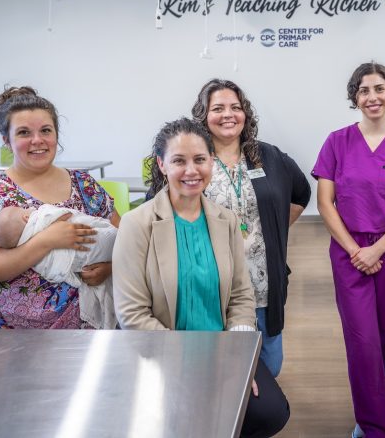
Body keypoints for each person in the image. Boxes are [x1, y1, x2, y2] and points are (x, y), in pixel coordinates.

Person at [112, 118, 289, 438]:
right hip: (158, 352)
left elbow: (240, 296)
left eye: (200, 159)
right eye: (179, 161)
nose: (191, 170)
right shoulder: (137, 224)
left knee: (271, 412)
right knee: (178, 415)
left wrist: (236, 359)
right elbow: (132, 314)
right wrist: (189, 364)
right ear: (162, 165)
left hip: (220, 349)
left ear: (211, 163)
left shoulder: (226, 221)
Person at [312, 62, 385, 438]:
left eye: (379, 89)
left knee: (384, 335)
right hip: (349, 251)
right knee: (362, 339)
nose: (372, 97)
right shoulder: (337, 141)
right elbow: (325, 203)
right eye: (364, 90)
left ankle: (371, 407)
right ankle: (376, 427)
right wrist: (355, 250)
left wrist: (377, 248)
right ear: (355, 98)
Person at [0, 86, 119, 329]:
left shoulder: (84, 184)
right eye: (24, 132)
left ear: (56, 134)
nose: (37, 140)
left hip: (84, 328)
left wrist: (110, 268)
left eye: (46, 130)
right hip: (12, 332)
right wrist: (47, 240)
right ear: (7, 141)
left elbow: (128, 241)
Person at [191, 78, 311, 378]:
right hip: (212, 285)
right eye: (218, 108)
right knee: (217, 366)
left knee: (270, 365)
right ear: (204, 115)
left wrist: (275, 230)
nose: (228, 114)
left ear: (246, 113)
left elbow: (301, 194)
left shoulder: (267, 156)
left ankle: (258, 419)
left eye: (236, 107)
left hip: (263, 281)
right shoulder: (194, 159)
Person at [0, 205, 117, 329]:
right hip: (14, 329)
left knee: (112, 240)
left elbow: (125, 232)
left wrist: (112, 267)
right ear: (26, 218)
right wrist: (46, 239)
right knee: (111, 240)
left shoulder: (86, 186)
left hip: (87, 259)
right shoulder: (39, 217)